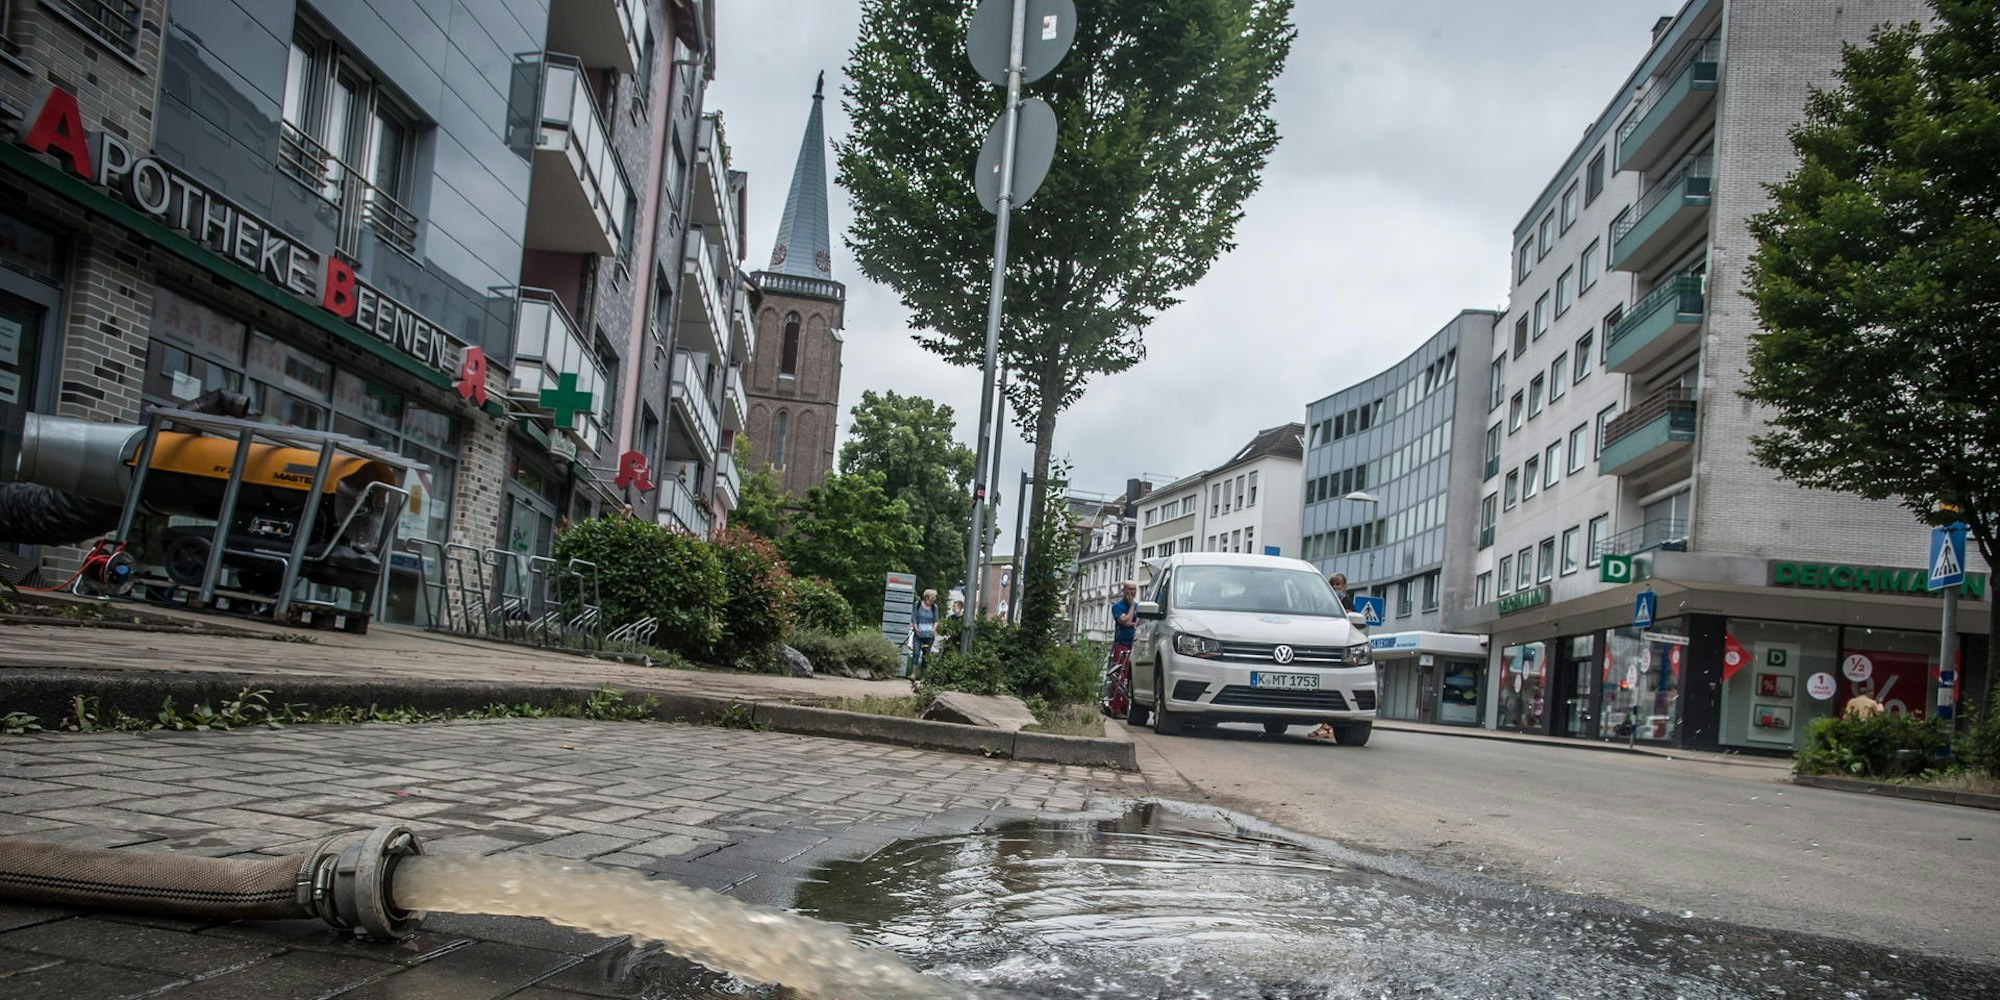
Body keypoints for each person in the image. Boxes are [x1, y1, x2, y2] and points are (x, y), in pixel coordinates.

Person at [1101, 581, 1141, 718]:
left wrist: (1131, 623)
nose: (1132, 592)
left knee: (1131, 677)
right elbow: (1125, 621)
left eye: (1134, 589)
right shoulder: (1118, 606)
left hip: (1136, 645)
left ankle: (1126, 706)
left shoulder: (1139, 607)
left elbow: (1140, 624)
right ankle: (1115, 707)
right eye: (1129, 589)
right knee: (1119, 676)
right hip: (1122, 645)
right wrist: (1131, 608)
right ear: (1123, 590)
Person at [907, 589, 940, 678]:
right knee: (916, 653)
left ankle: (923, 676)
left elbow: (936, 620)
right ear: (926, 597)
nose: (933, 600)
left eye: (934, 598)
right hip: (918, 634)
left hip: (929, 636)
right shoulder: (917, 604)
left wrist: (934, 629)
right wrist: (916, 627)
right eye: (932, 598)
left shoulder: (934, 607)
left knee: (926, 655)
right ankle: (914, 673)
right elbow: (914, 617)